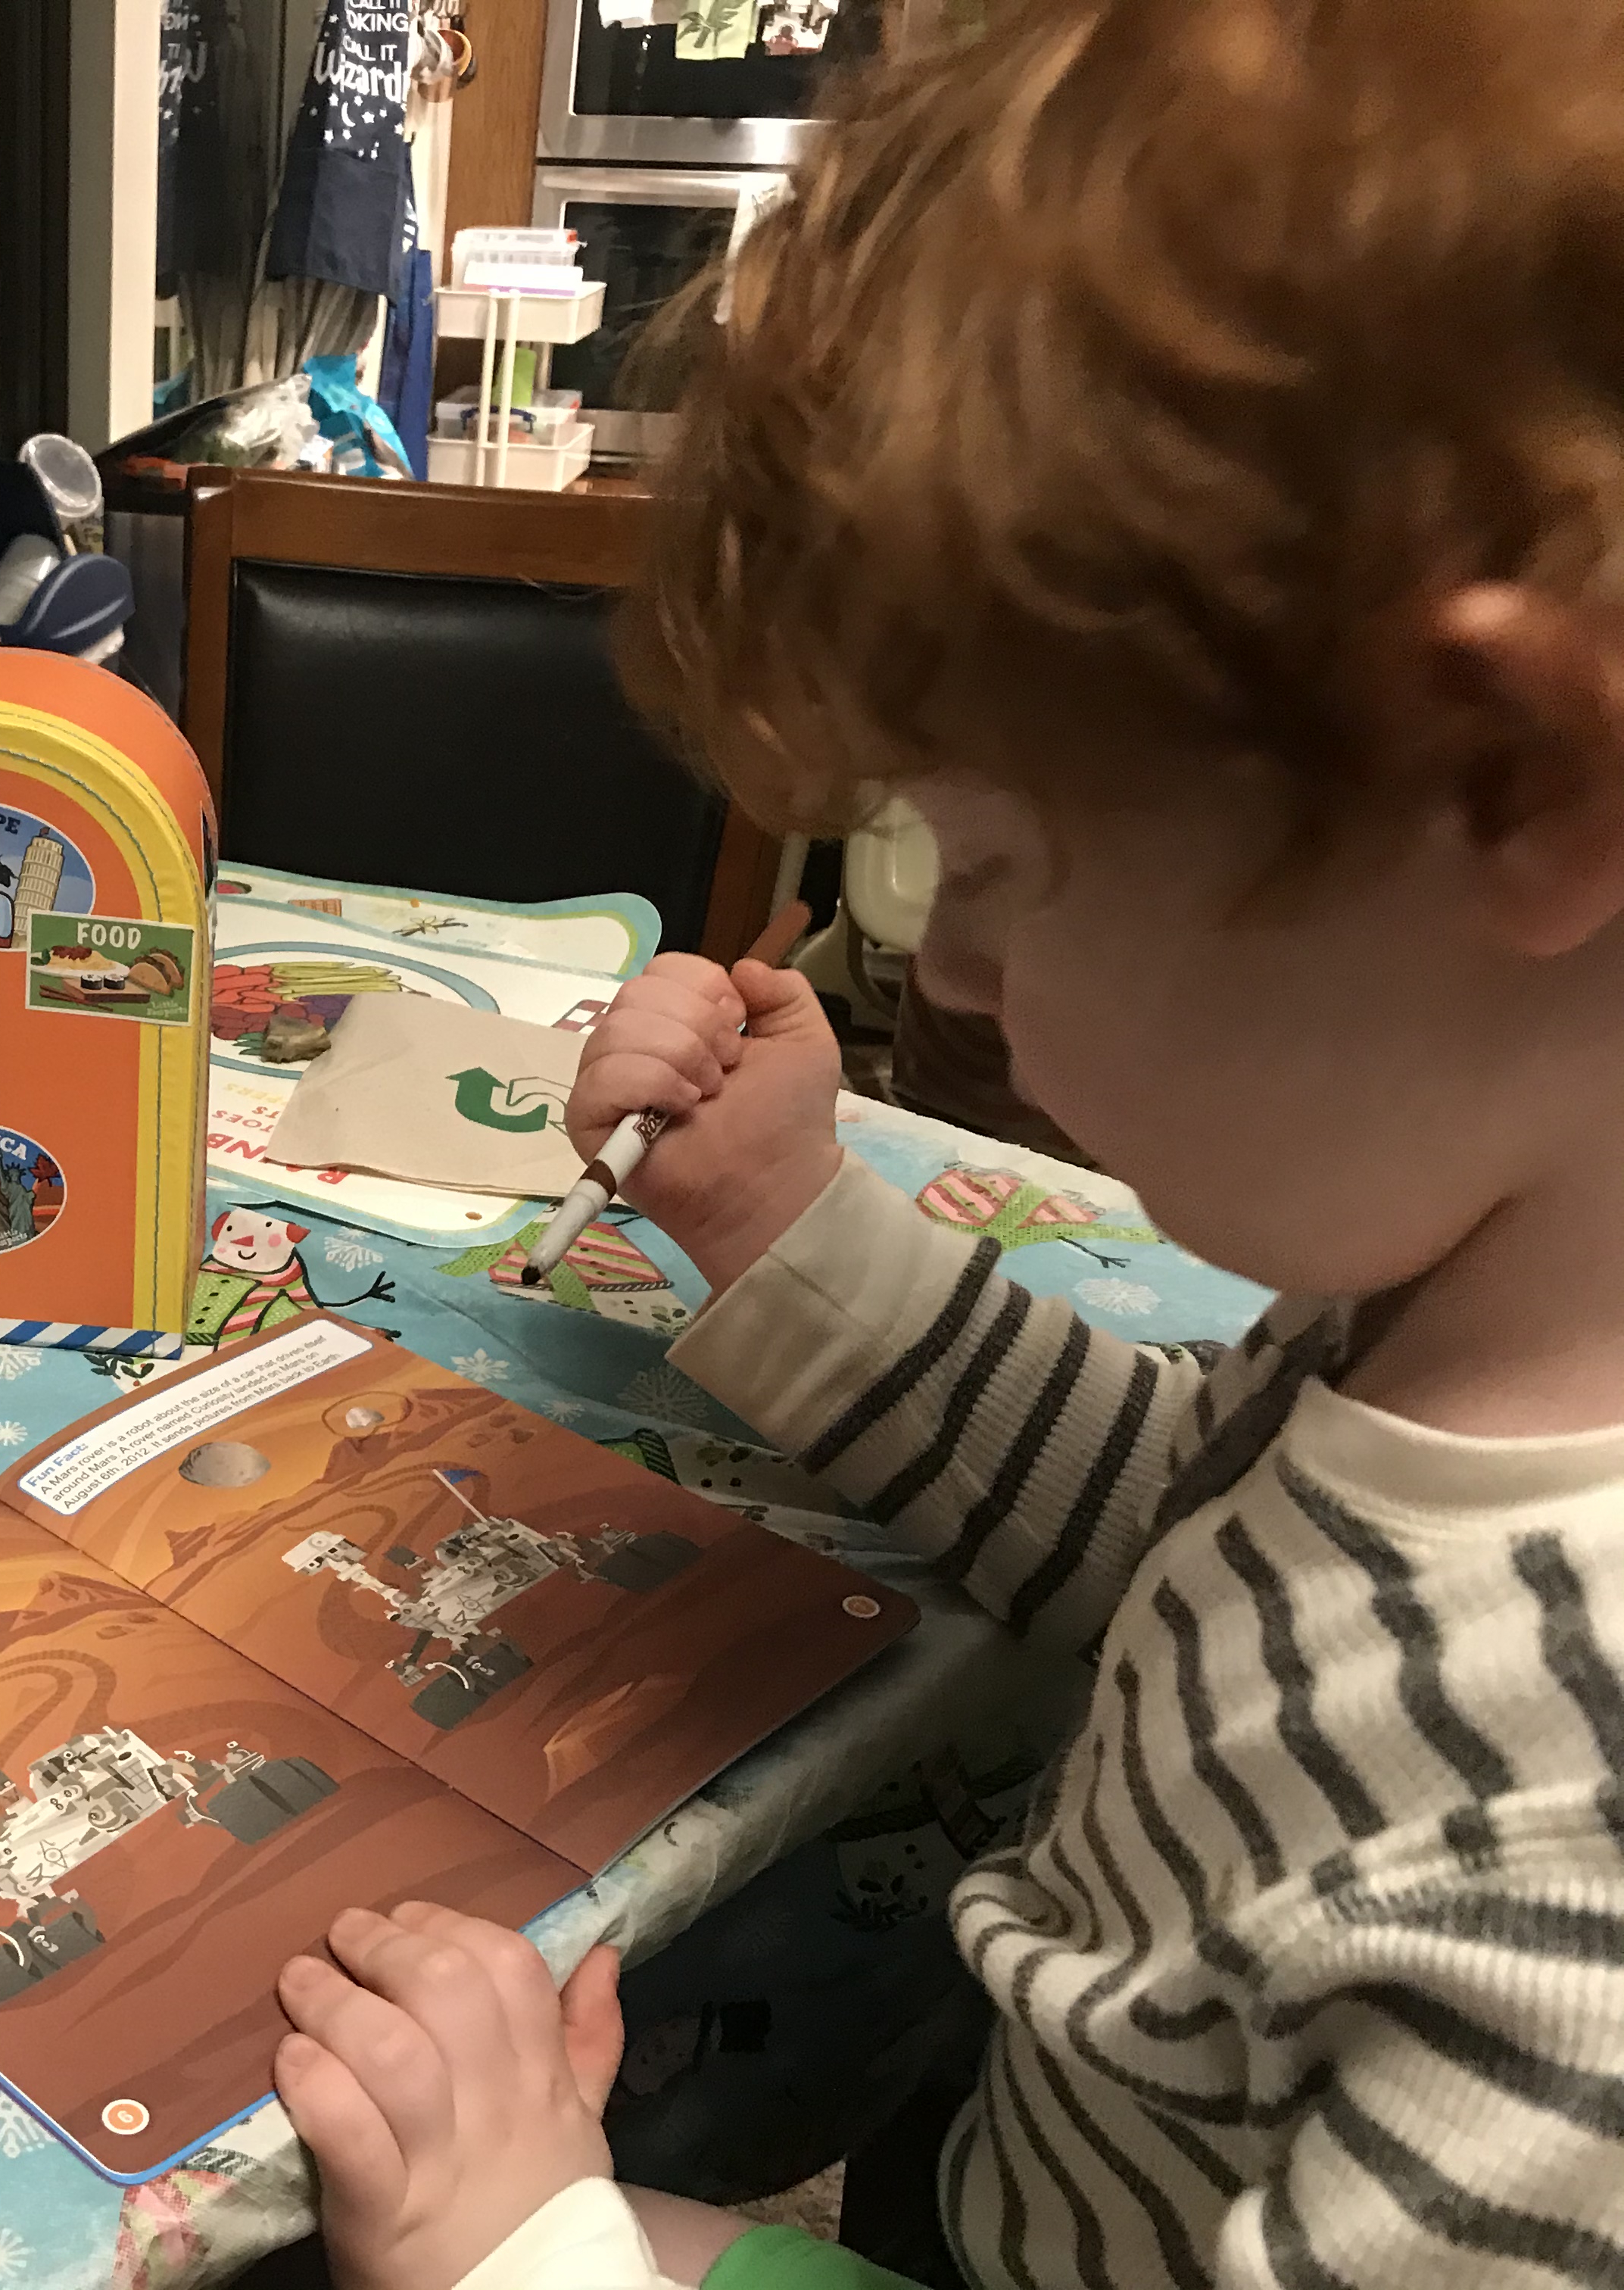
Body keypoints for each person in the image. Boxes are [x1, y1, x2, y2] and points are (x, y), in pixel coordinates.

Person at [273, 2, 1624, 2285]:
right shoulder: (1461, 1299)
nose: (960, 979)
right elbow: (1202, 1554)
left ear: (1514, 784)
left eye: (995, 862)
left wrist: (524, 2250)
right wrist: (782, 1222)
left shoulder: (1571, 1890)